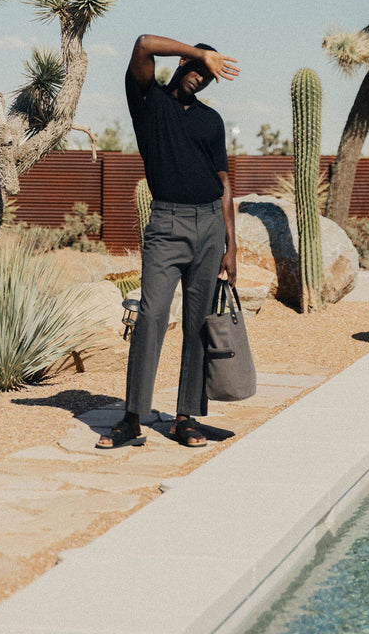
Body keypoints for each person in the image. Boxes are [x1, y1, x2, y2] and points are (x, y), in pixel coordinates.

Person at [97, 34, 240, 449]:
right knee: (152, 317)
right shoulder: (150, 103)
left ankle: (185, 418)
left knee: (198, 325)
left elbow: (224, 184)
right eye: (196, 69)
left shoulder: (211, 122)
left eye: (207, 75)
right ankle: (131, 418)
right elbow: (141, 44)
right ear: (181, 63)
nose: (201, 77)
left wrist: (233, 246)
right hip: (167, 224)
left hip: (210, 226)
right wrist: (202, 54)